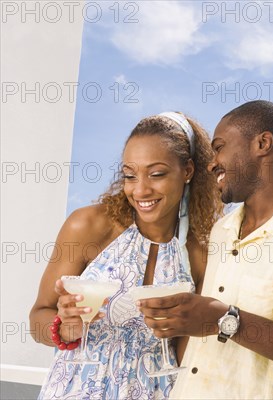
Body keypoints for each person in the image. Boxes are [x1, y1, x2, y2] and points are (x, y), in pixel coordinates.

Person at [137, 100, 273, 399]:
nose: (212, 162)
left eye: (219, 147)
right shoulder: (222, 231)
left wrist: (227, 321)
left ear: (262, 143)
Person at [29, 112, 222, 399]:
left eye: (157, 174)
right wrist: (64, 328)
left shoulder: (199, 254)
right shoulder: (88, 227)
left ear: (188, 171)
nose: (141, 189)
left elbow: (183, 356)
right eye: (130, 175)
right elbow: (38, 317)